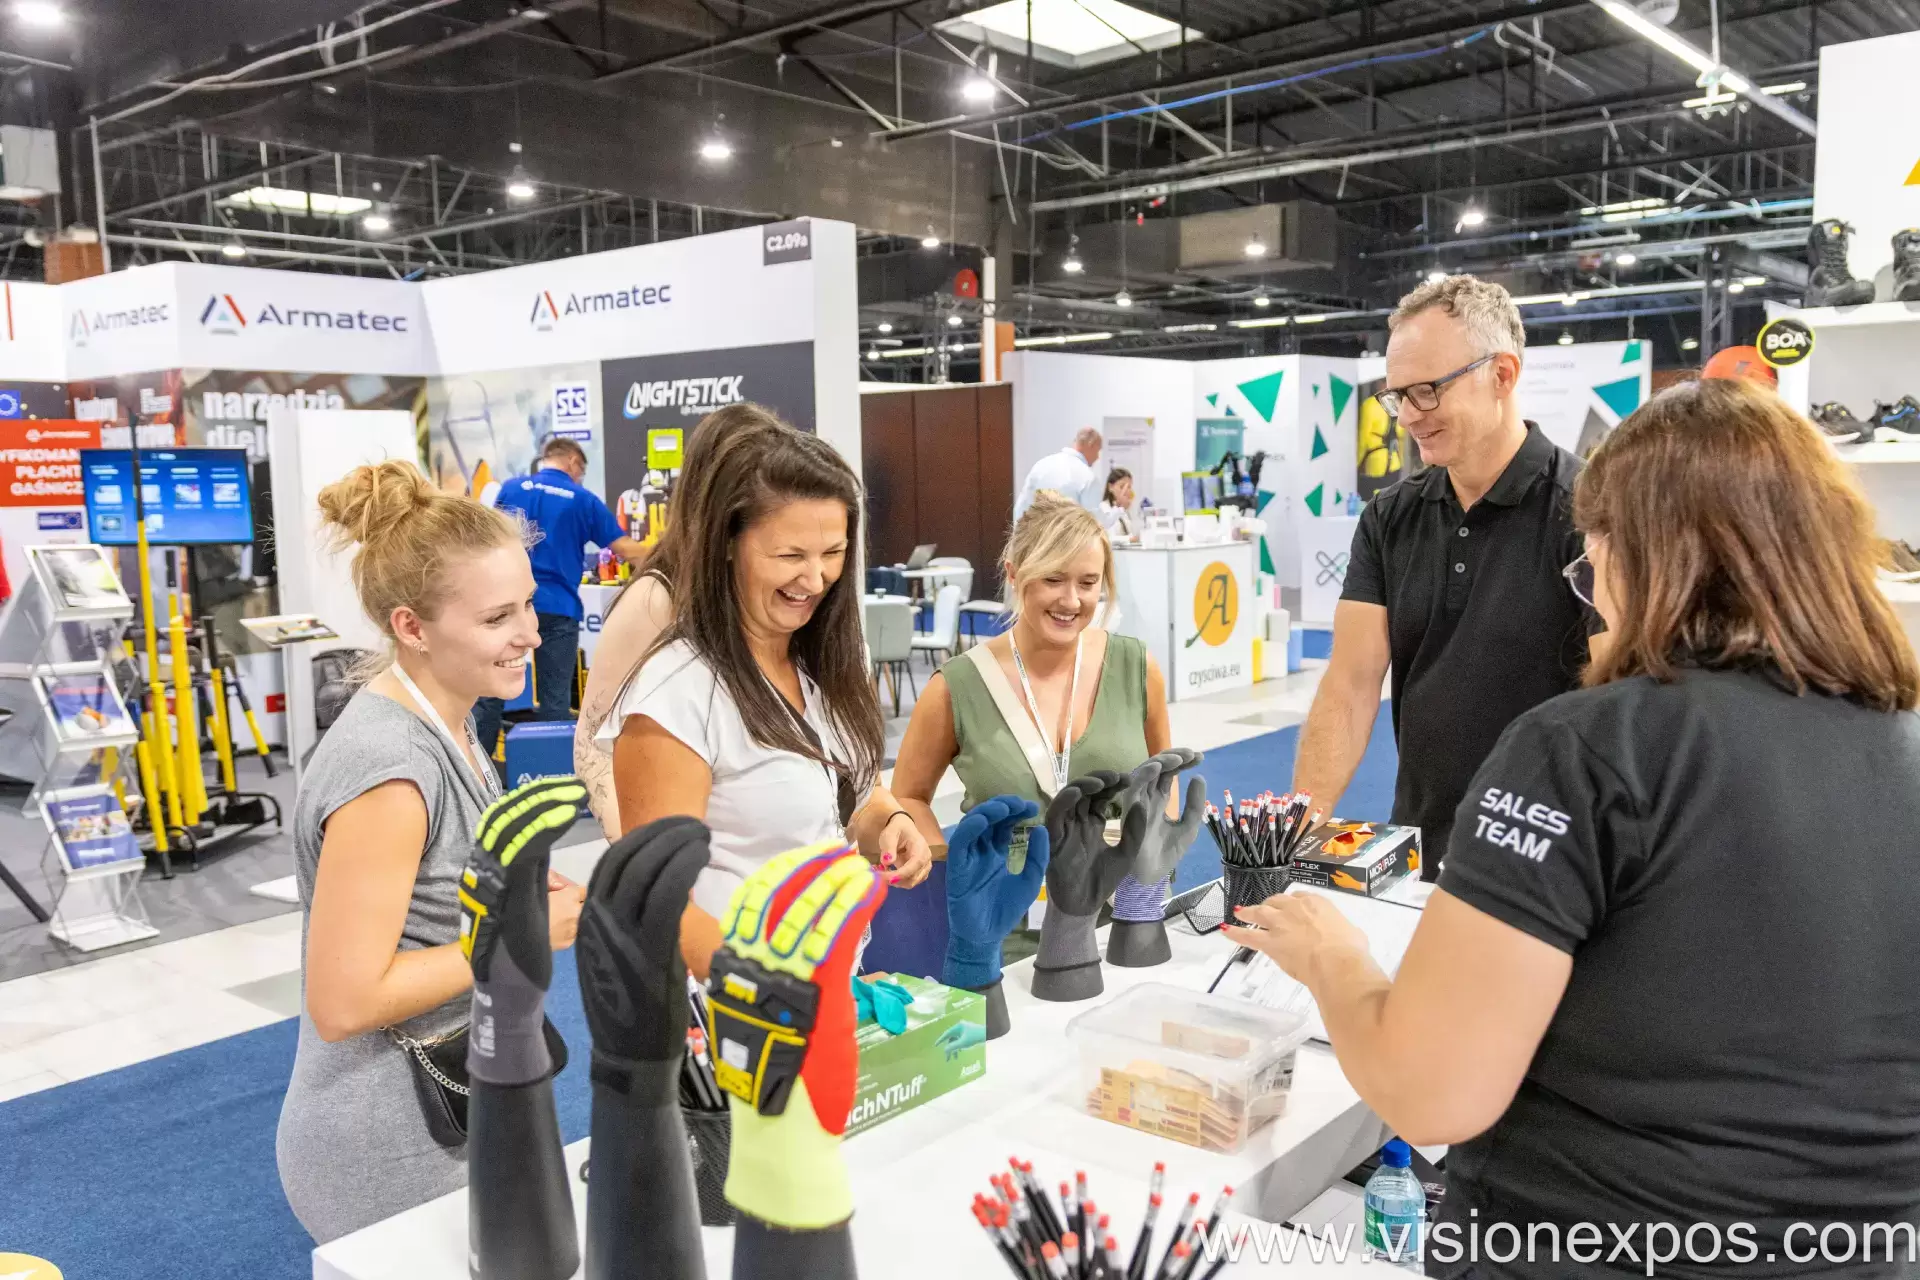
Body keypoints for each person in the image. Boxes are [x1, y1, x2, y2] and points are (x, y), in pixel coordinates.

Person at [1227, 379, 1920, 1279]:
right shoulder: (1898, 743)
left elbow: (1431, 1094)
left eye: (1591, 565)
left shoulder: (1590, 748)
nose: (1592, 596)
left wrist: (1331, 957)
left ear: (1643, 554)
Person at [277, 460, 586, 1243]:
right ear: (412, 628)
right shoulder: (392, 769)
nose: (530, 632)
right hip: (392, 1141)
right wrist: (521, 932)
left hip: (462, 1105)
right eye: (497, 617)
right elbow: (345, 1002)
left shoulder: (454, 723)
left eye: (528, 603)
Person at [597, 422, 932, 978]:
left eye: (833, 553)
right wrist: (770, 994)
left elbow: (841, 794)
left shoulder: (823, 662)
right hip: (738, 1010)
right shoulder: (678, 692)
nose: (816, 578)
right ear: (729, 544)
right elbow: (657, 904)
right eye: (790, 555)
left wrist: (889, 820)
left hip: (828, 989)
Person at [1292, 276, 1601, 877]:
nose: (1409, 416)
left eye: (1427, 391)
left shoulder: (1589, 511)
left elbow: (1621, 700)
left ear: (1502, 375)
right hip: (1423, 847)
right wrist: (1295, 828)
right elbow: (1351, 686)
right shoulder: (1389, 516)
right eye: (1398, 397)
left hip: (1554, 861)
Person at [892, 492, 1173, 869]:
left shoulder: (1135, 668)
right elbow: (907, 797)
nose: (1071, 601)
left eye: (1088, 583)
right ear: (1013, 574)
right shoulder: (956, 687)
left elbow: (1165, 774)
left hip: (1123, 898)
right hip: (1004, 901)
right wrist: (946, 872)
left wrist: (1159, 853)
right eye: (1053, 579)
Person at [572, 405, 787, 838]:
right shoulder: (656, 599)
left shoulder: (765, 591)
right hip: (689, 850)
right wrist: (642, 854)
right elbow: (591, 745)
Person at [475, 435, 647, 762]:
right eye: (581, 471)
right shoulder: (582, 499)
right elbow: (625, 549)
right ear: (572, 462)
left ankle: (474, 775)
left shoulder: (512, 489)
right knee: (554, 702)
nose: (580, 477)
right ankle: (552, 774)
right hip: (558, 607)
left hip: (508, 606)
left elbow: (487, 542)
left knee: (490, 696)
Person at [1015, 426, 1103, 519]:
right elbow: (1094, 519)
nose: (1097, 457)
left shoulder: (1041, 465)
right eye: (1098, 451)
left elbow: (1022, 508)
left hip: (1038, 527)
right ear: (1091, 445)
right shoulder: (1087, 477)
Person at [1098, 467, 1138, 539]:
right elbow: (1109, 537)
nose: (1127, 491)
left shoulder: (1125, 510)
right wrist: (1129, 539)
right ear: (1110, 487)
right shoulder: (1103, 508)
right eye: (1122, 487)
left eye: (1129, 487)